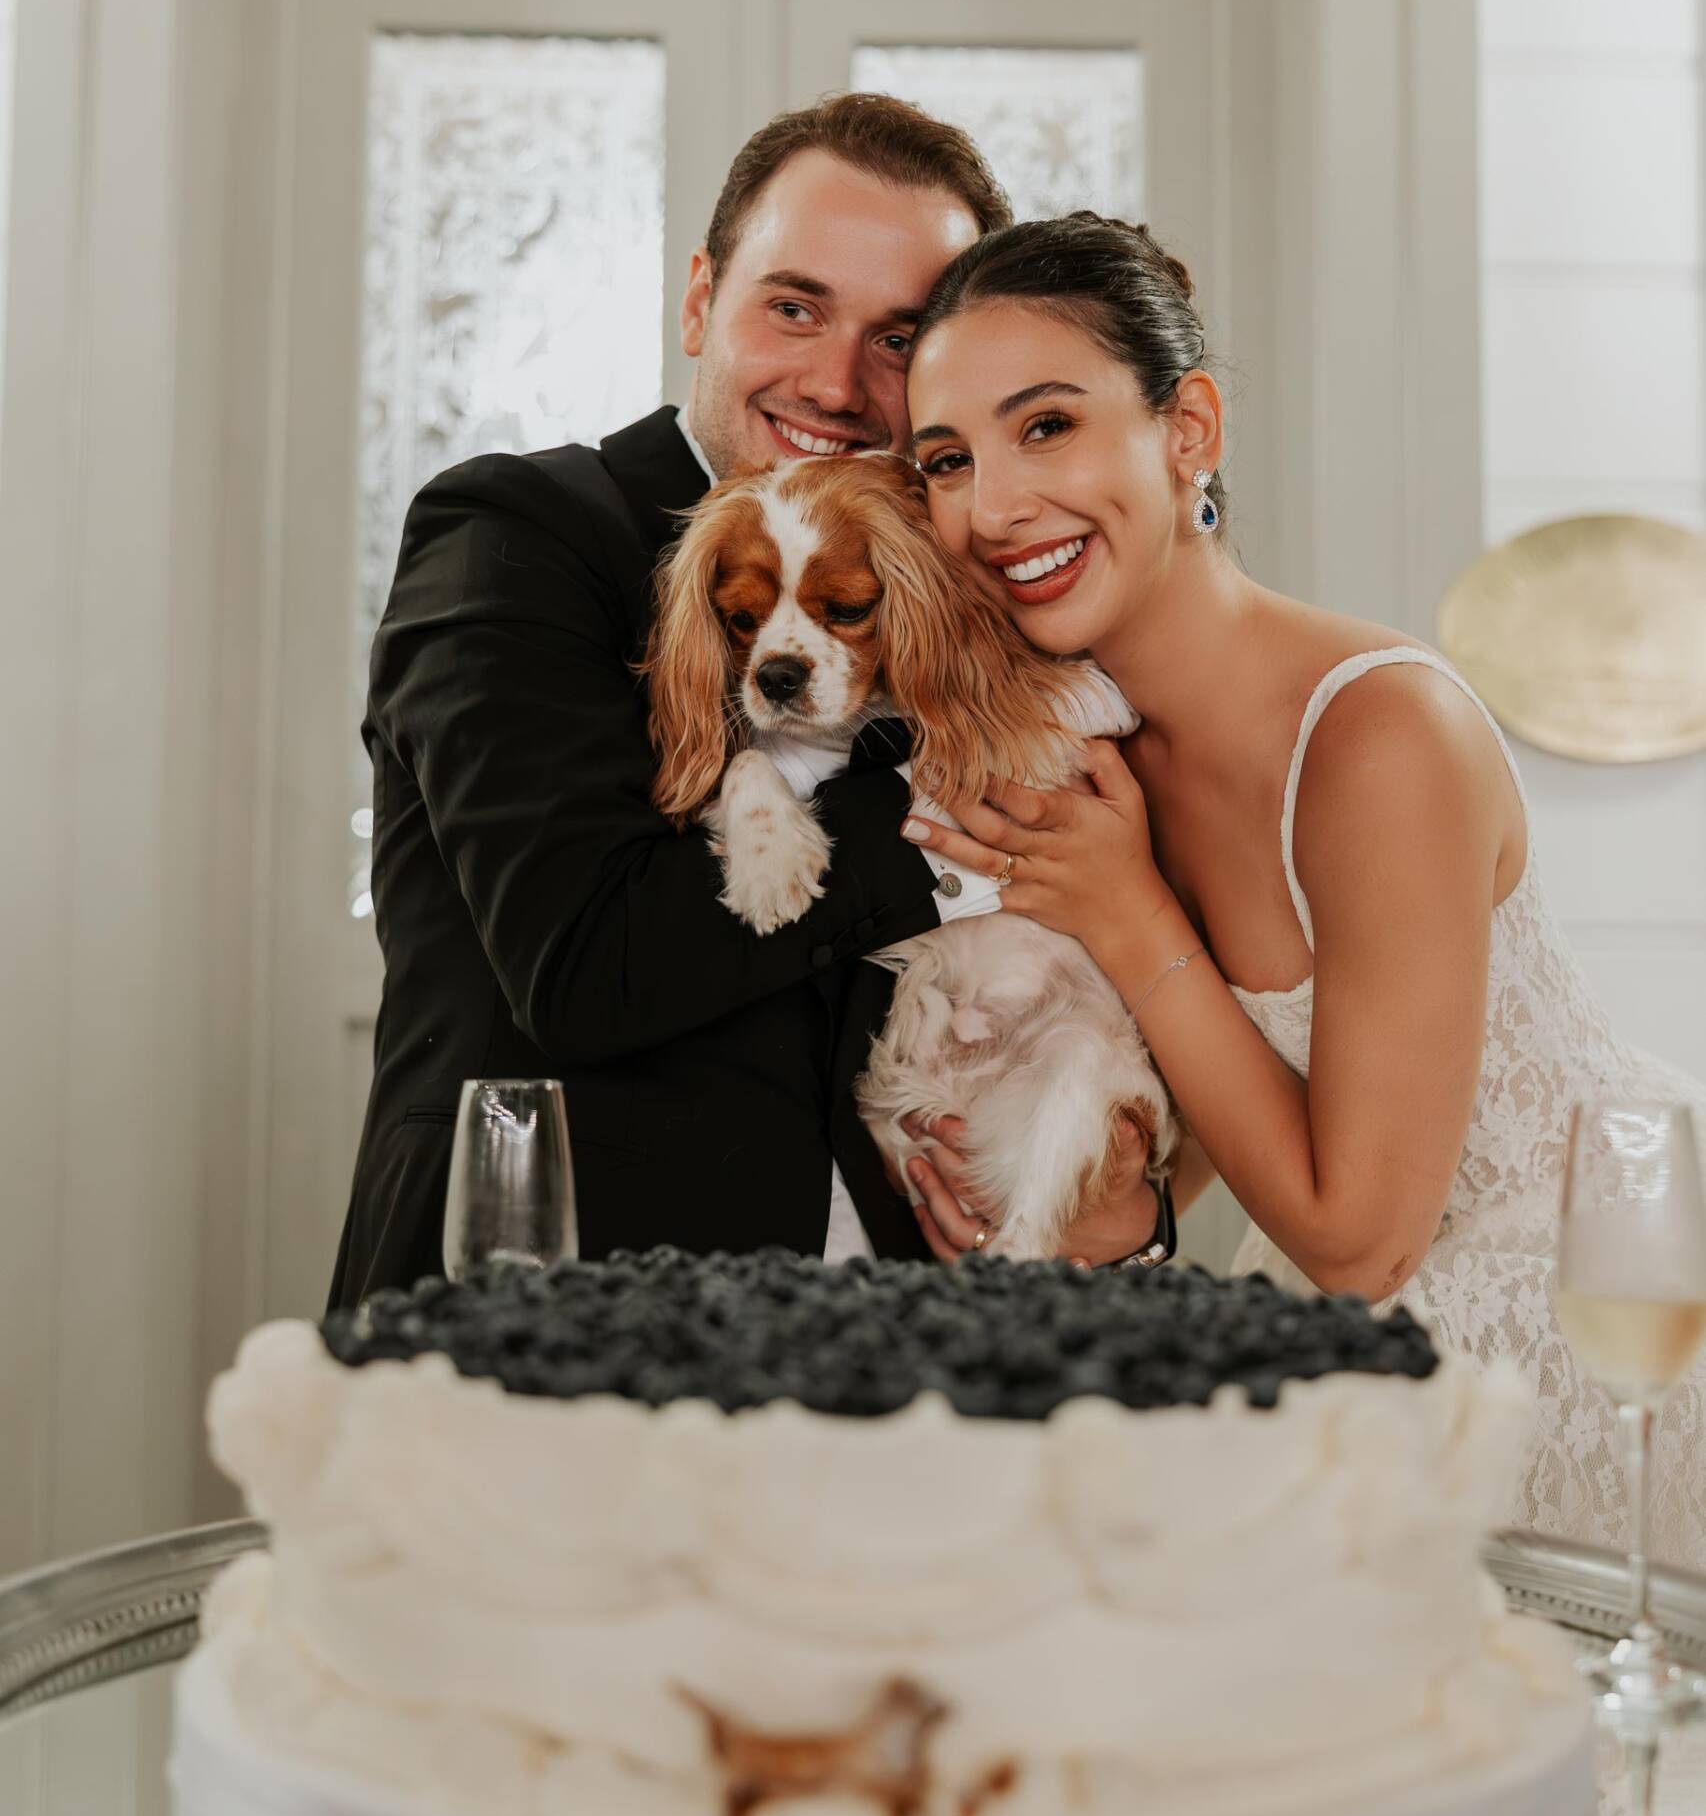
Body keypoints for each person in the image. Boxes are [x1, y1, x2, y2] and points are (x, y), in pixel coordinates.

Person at [895, 210, 1706, 1564]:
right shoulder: (1100, 770)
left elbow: (1359, 1239)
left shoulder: (1381, 734)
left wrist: (1127, 915)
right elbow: (1227, 1119)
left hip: (1581, 1337)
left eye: (1046, 426)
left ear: (1188, 430)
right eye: (946, 460)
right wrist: (1113, 1210)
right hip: (1344, 1345)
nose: (992, 508)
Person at [330, 101, 1162, 1306]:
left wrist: (1124, 1213)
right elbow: (583, 967)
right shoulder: (517, 534)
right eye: (794, 307)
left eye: (896, 338)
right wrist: (964, 816)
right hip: (548, 1324)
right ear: (697, 301)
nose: (834, 382)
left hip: (898, 1341)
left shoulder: (979, 582)